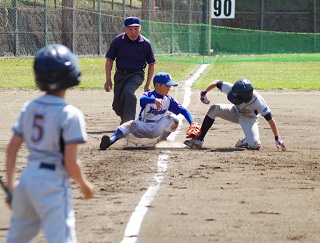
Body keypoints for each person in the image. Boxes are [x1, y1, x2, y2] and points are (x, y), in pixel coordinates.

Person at [5, 44, 94, 243]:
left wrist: (12, 189)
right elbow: (70, 162)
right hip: (52, 184)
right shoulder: (70, 114)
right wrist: (84, 185)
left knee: (16, 238)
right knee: (61, 239)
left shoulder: (29, 107)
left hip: (27, 181)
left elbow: (11, 150)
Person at [100, 72, 195, 150]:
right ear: (157, 85)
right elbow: (142, 99)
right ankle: (110, 140)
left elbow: (184, 111)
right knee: (127, 125)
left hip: (156, 128)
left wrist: (192, 123)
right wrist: (154, 100)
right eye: (167, 86)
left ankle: (162, 140)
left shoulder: (168, 100)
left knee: (174, 119)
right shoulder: (149, 95)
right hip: (141, 126)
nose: (169, 88)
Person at [184, 78, 287, 151]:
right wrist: (204, 93)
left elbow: (270, 119)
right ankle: (199, 140)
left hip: (249, 119)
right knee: (215, 108)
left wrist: (277, 138)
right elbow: (217, 82)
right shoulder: (235, 89)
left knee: (254, 145)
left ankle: (246, 140)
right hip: (234, 112)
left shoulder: (258, 102)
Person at [104, 16, 156, 125]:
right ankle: (124, 117)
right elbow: (109, 60)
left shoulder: (145, 44)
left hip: (136, 75)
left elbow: (151, 64)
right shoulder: (118, 41)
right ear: (125, 30)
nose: (133, 32)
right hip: (120, 75)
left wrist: (148, 84)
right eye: (130, 29)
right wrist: (108, 80)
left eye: (136, 29)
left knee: (128, 91)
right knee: (117, 106)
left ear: (140, 28)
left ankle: (130, 122)